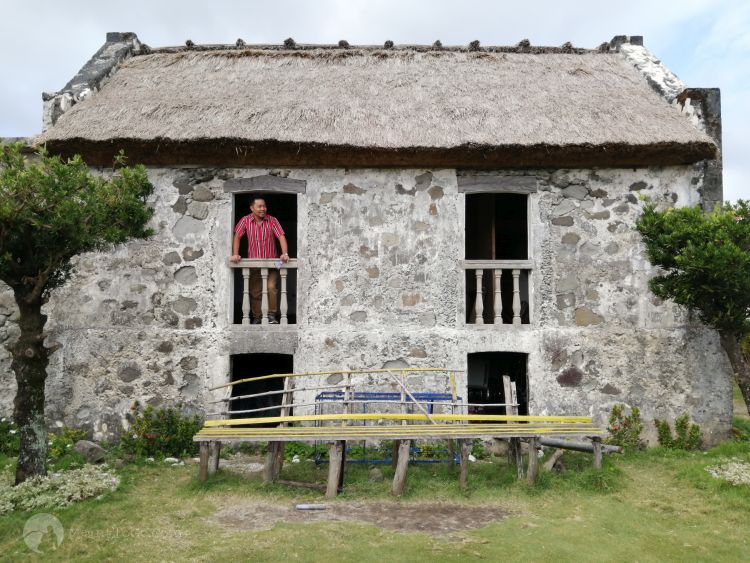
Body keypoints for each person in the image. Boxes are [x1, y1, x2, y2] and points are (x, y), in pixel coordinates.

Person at [230, 196, 289, 324]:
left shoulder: (272, 220)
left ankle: (272, 315)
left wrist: (284, 253)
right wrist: (235, 254)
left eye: (264, 206)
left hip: (273, 265)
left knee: (271, 288)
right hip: (254, 265)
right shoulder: (245, 221)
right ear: (252, 208)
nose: (263, 209)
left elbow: (281, 237)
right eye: (260, 206)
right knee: (255, 292)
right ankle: (257, 317)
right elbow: (237, 237)